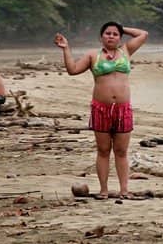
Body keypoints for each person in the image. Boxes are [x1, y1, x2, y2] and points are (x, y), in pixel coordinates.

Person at [54, 22, 148, 199]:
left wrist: (121, 27)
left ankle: (124, 190)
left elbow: (143, 34)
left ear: (120, 37)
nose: (111, 36)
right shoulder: (92, 55)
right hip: (101, 109)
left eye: (115, 34)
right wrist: (65, 49)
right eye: (107, 33)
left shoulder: (126, 50)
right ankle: (104, 190)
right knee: (103, 150)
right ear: (101, 36)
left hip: (123, 109)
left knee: (121, 151)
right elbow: (72, 70)